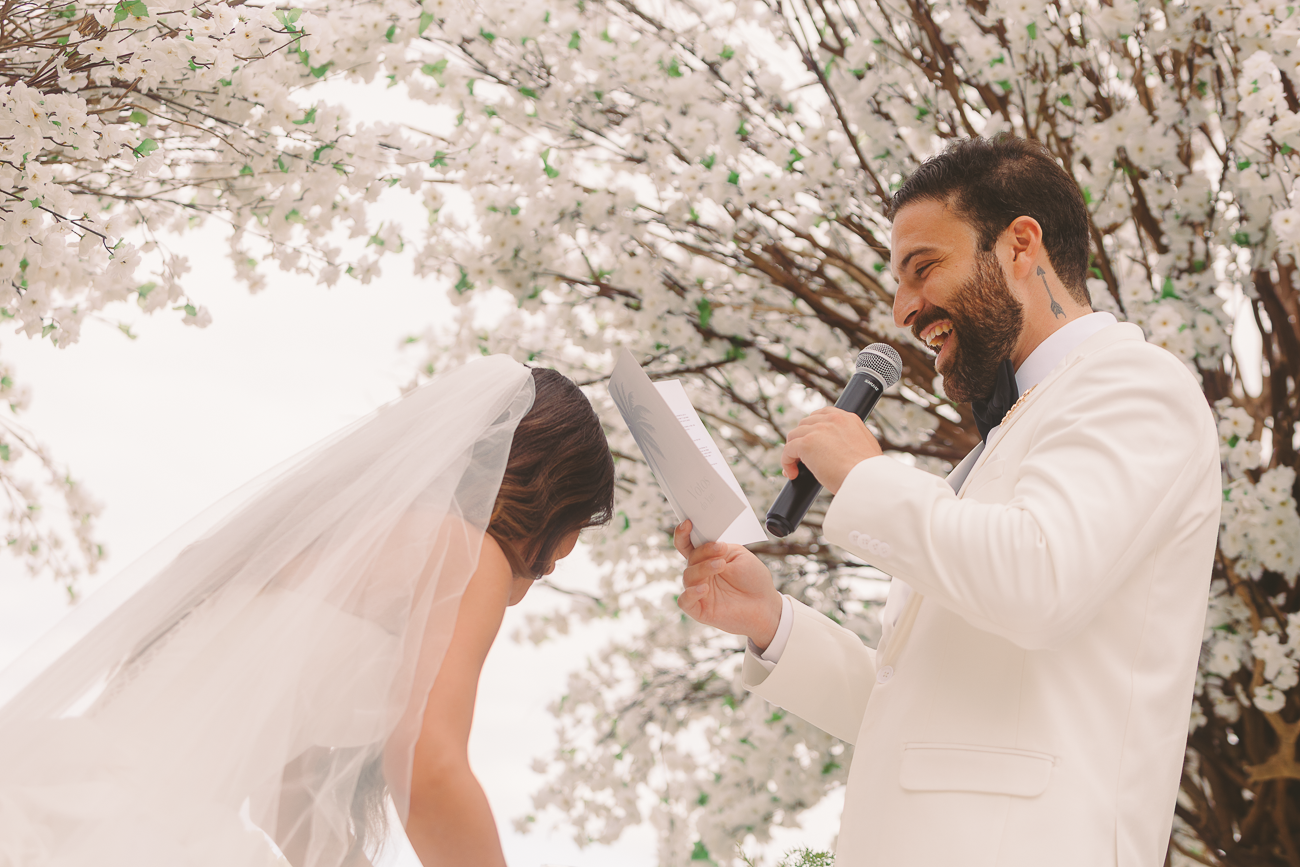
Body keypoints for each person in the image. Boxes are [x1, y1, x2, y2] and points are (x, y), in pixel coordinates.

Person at [674, 136, 1221, 866]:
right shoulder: (993, 451)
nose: (904, 308)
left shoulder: (1136, 384)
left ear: (1020, 245)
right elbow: (919, 711)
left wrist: (866, 477)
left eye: (923, 268)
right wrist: (771, 622)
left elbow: (1038, 582)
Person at [0, 355, 615, 867]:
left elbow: (289, 796)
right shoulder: (467, 553)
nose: (568, 553)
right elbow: (429, 768)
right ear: (549, 492)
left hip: (81, 805)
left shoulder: (336, 546)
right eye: (581, 523)